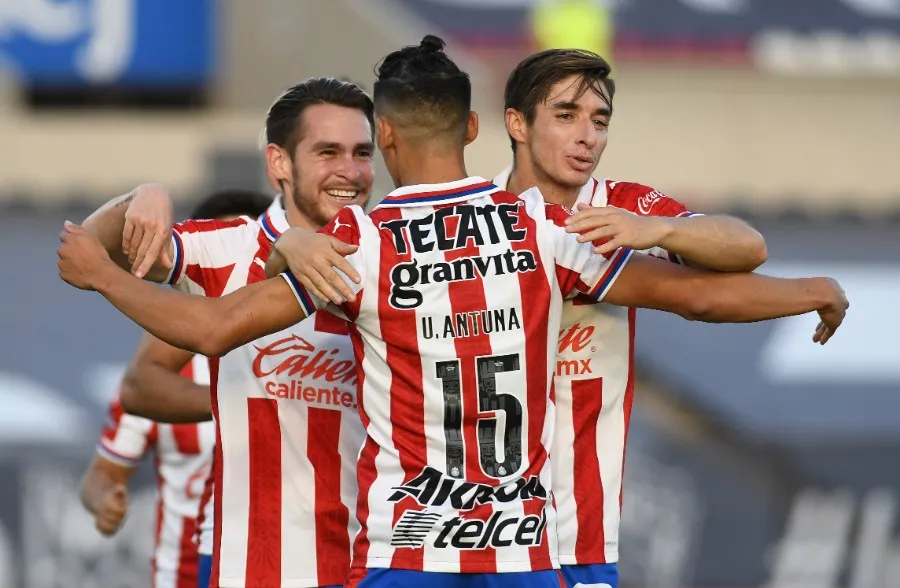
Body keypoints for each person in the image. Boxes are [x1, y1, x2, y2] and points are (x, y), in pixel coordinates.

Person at [57, 35, 848, 588]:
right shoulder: (543, 228)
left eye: (361, 148)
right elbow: (699, 295)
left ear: (385, 136)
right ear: (475, 128)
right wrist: (805, 291)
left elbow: (211, 329)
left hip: (409, 551)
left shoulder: (365, 243)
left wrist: (102, 276)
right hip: (525, 551)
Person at [71, 77, 375, 588]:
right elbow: (88, 249)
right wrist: (140, 198)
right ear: (279, 163)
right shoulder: (229, 249)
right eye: (328, 152)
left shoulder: (397, 257)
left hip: (377, 566)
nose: (350, 170)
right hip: (253, 569)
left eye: (362, 152)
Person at [497, 48, 772, 587]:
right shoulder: (466, 215)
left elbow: (749, 247)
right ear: (517, 123)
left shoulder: (621, 206)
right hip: (470, 536)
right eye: (566, 115)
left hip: (580, 536)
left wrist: (662, 230)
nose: (588, 137)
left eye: (600, 121)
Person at [79, 190, 272, 588]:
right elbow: (102, 476)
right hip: (182, 575)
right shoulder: (159, 377)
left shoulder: (308, 358)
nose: (232, 273)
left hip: (278, 565)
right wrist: (106, 502)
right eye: (219, 256)